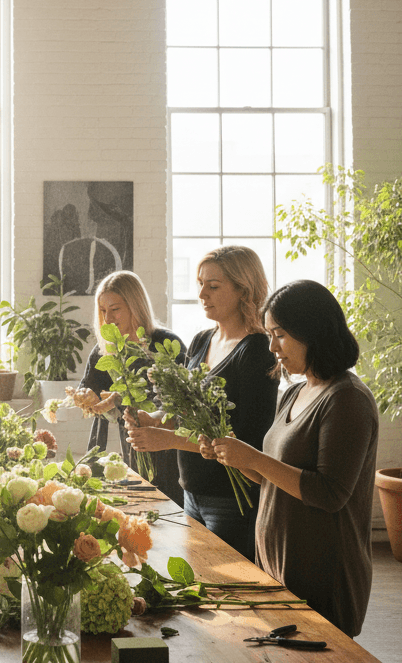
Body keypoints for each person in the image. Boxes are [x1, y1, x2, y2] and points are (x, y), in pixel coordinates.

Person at [207, 280, 379, 636]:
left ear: (312, 331)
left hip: (323, 573)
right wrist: (235, 458)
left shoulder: (347, 399)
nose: (272, 347)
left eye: (280, 334)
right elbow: (272, 477)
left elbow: (329, 494)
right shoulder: (295, 392)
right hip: (279, 563)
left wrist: (253, 457)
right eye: (270, 334)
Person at [126, 245, 277, 560]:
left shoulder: (258, 350)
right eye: (200, 284)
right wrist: (156, 419)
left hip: (231, 499)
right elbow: (184, 411)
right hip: (192, 489)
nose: (201, 294)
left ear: (243, 290)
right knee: (201, 582)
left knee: (229, 592)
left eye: (213, 285)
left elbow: (243, 439)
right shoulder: (201, 340)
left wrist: (165, 439)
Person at [76, 270, 185, 506]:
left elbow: (181, 404)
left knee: (171, 512)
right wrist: (86, 398)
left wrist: (118, 398)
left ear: (136, 306)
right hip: (132, 452)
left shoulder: (165, 343)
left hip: (171, 452)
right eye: (103, 311)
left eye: (115, 309)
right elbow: (89, 389)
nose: (108, 319)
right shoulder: (103, 350)